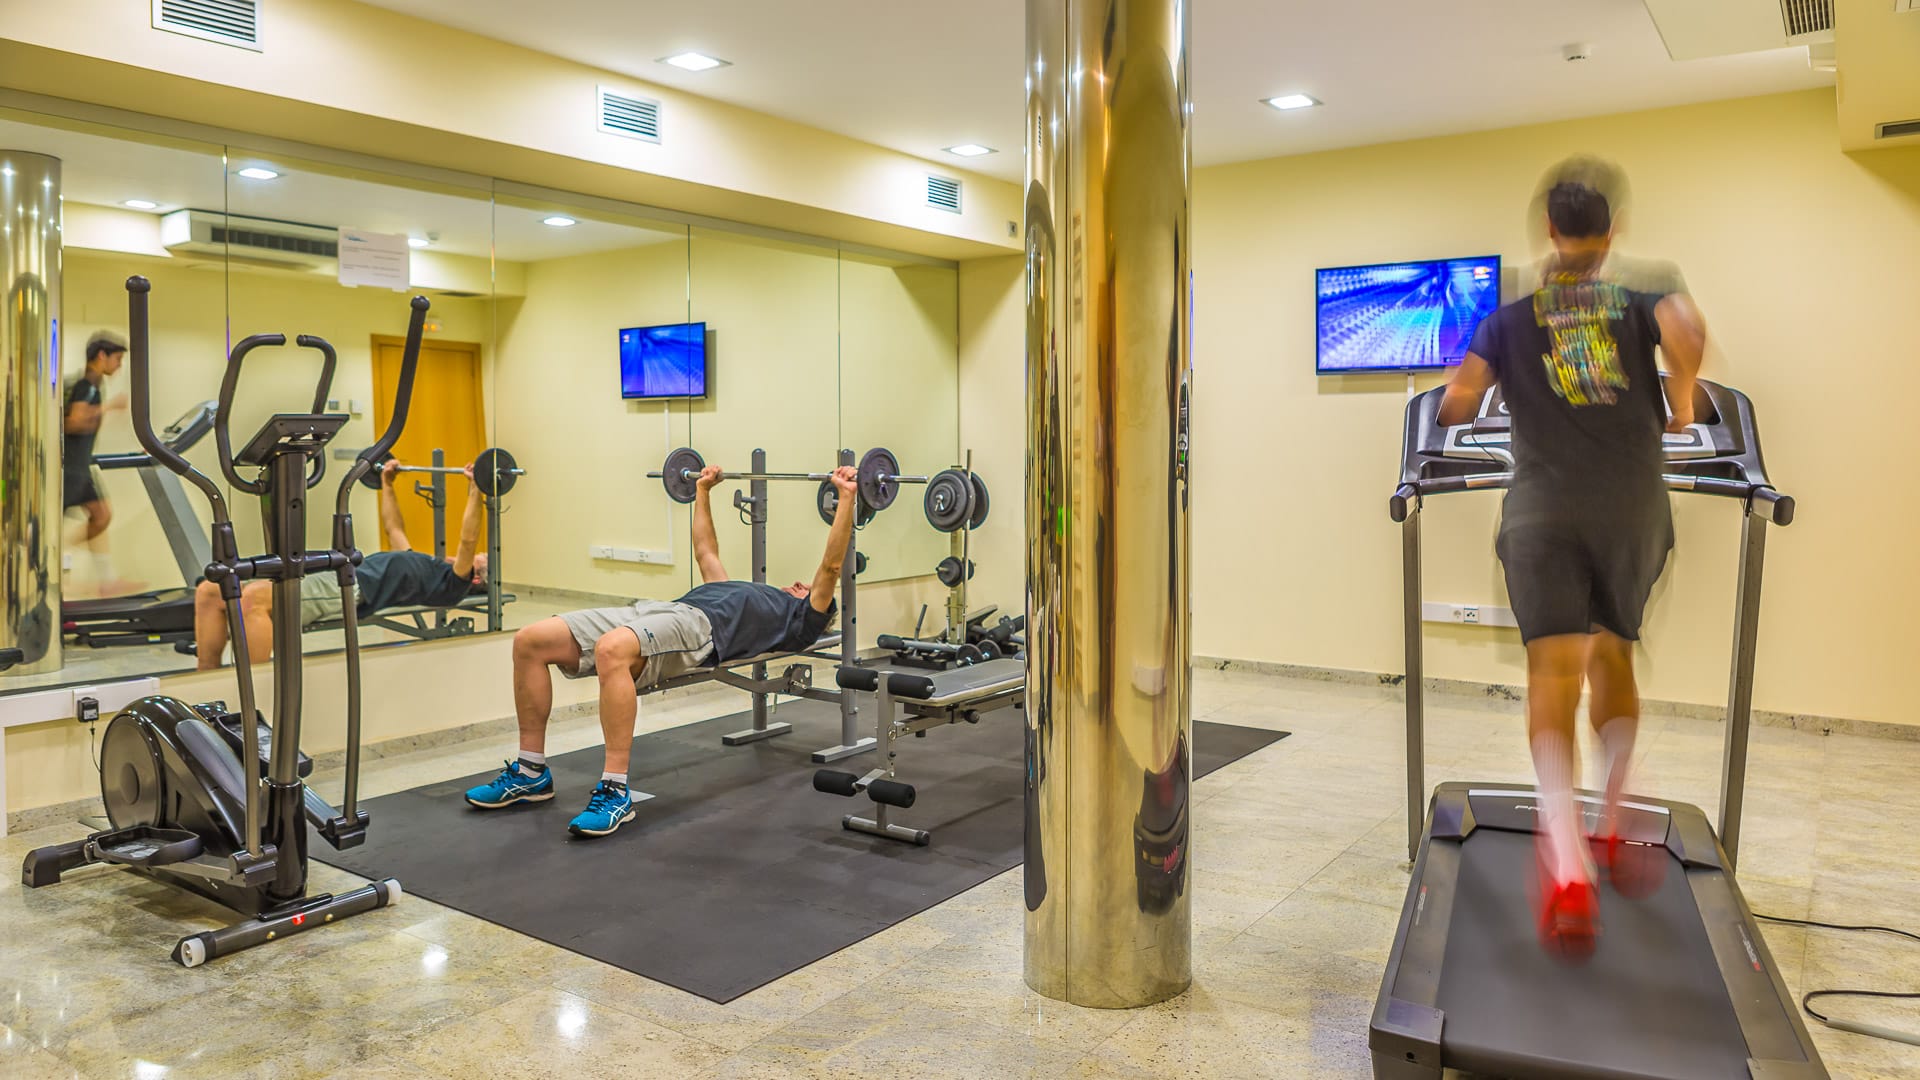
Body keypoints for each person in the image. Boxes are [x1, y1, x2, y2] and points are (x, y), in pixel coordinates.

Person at [1437, 157, 1706, 959]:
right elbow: (1688, 331)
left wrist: (1482, 383)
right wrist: (1683, 396)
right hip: (1631, 511)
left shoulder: (1511, 316)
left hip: (1543, 515)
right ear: (1610, 232)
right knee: (1612, 655)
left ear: (1550, 231)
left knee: (1551, 671)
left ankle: (1565, 855)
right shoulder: (1639, 297)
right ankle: (1616, 803)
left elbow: (1456, 400)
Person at [465, 464, 855, 838]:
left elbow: (830, 567)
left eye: (804, 587)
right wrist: (702, 492)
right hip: (662, 610)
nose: (799, 583)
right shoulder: (741, 591)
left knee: (611, 649)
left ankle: (616, 791)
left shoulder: (800, 618)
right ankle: (530, 774)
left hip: (699, 631)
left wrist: (847, 498)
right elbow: (706, 552)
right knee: (530, 640)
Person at [192, 457, 490, 669]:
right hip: (340, 572)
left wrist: (476, 491)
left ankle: (251, 696)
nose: (472, 555)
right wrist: (387, 484)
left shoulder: (453, 582)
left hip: (351, 590)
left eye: (480, 559)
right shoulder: (424, 563)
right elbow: (394, 528)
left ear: (475, 577)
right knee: (209, 589)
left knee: (254, 599)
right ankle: (207, 683)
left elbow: (468, 539)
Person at [63, 331, 133, 597]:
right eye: (117, 359)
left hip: (78, 465)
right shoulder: (87, 386)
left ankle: (107, 581)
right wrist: (109, 408)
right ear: (101, 356)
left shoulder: (82, 383)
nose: (119, 366)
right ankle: (56, 550)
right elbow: (73, 422)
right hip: (71, 469)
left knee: (101, 515)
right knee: (100, 515)